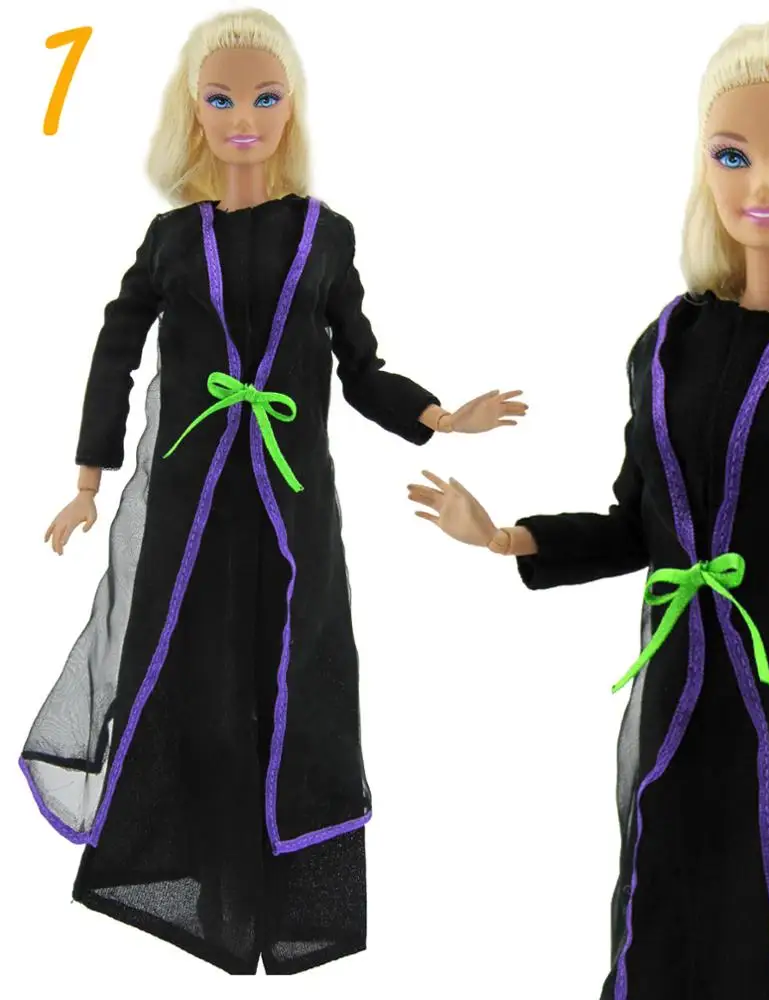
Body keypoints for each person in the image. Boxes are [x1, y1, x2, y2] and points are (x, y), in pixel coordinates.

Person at [408, 13, 769, 999]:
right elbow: (638, 523)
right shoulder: (668, 343)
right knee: (676, 880)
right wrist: (506, 536)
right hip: (683, 682)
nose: (763, 185)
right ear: (703, 168)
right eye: (732, 155)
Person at [20, 7, 527, 976]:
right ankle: (202, 885)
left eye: (264, 97)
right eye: (221, 100)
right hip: (189, 510)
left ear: (291, 107)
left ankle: (283, 894)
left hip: (292, 516)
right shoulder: (172, 238)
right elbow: (115, 350)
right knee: (189, 676)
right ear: (194, 112)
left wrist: (437, 414)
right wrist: (89, 481)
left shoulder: (324, 236)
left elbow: (361, 368)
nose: (243, 118)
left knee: (297, 680)